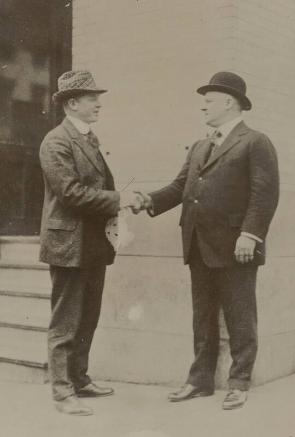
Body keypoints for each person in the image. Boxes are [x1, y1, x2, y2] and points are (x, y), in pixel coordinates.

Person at [137, 71, 279, 409]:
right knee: (201, 317)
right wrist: (146, 200)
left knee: (240, 316)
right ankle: (199, 381)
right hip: (198, 243)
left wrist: (250, 234)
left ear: (229, 102)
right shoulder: (201, 145)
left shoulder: (255, 141)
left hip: (237, 247)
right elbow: (179, 187)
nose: (203, 108)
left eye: (209, 101)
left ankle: (239, 383)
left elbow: (265, 194)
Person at [39, 70, 141, 415]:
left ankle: (79, 378)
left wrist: (115, 205)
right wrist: (118, 200)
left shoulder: (87, 137)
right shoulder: (56, 141)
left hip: (93, 243)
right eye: (91, 98)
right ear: (72, 103)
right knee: (66, 320)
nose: (98, 103)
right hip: (68, 245)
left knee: (88, 316)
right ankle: (62, 391)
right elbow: (70, 193)